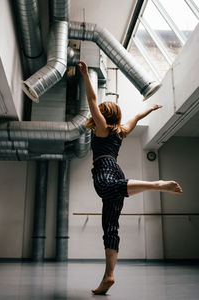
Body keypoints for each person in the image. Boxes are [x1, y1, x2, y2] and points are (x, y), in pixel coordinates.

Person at [78, 61, 183, 295]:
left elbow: (92, 101)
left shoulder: (102, 128)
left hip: (105, 168)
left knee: (106, 189)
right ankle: (108, 276)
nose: (96, 113)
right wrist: (151, 108)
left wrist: (86, 76)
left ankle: (156, 185)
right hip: (117, 170)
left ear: (104, 115)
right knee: (110, 226)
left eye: (100, 112)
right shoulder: (121, 130)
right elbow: (136, 115)